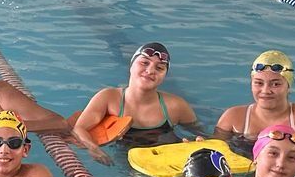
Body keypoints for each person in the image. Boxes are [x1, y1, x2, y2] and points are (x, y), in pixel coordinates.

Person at [72, 41, 201, 157]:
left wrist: (197, 143)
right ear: (131, 65)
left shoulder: (176, 106)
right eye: (144, 63)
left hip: (167, 161)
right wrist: (94, 149)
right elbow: (79, 129)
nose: (150, 71)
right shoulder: (109, 98)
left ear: (164, 76)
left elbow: (200, 134)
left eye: (159, 68)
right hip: (128, 162)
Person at [214, 51, 295, 147]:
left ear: (288, 86)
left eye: (275, 84)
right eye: (259, 83)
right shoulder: (233, 117)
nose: (266, 91)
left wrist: (292, 162)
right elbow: (215, 149)